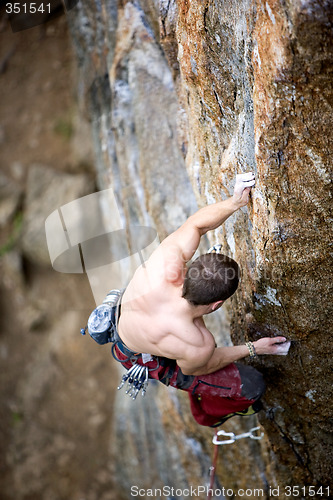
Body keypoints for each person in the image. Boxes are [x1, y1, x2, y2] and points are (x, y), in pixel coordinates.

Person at [89, 172, 291, 427]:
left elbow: (196, 224)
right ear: (216, 305)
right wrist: (255, 348)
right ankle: (209, 414)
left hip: (131, 326)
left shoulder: (166, 264)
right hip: (139, 353)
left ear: (190, 269)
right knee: (252, 386)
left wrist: (235, 201)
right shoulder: (198, 343)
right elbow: (197, 368)